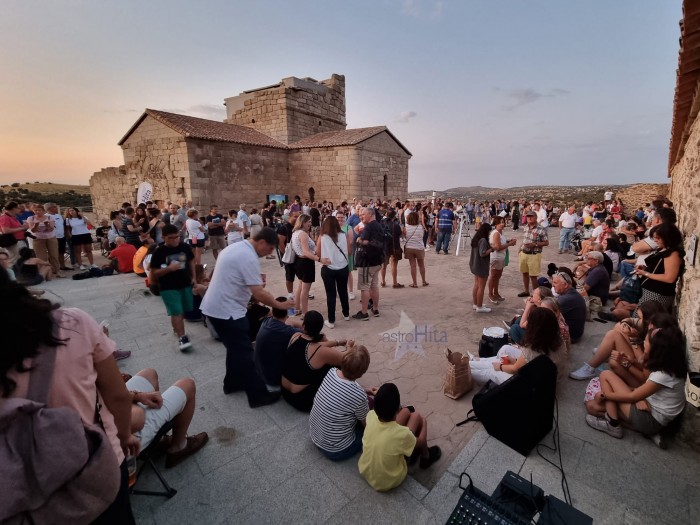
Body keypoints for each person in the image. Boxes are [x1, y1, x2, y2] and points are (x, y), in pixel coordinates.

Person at [0, 275, 138, 523]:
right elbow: (117, 394)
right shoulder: (72, 322)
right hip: (93, 462)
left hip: (19, 489)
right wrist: (125, 434)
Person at [201, 227, 293, 407]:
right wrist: (279, 305)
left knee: (235, 349)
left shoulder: (235, 247)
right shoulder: (248, 257)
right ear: (262, 242)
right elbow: (258, 293)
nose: (267, 254)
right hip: (227, 312)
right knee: (245, 353)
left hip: (217, 308)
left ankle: (232, 383)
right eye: (268, 250)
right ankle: (258, 396)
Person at [585, 325, 687, 440]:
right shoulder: (668, 367)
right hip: (651, 415)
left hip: (649, 419)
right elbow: (643, 390)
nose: (643, 342)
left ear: (655, 349)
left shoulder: (663, 375)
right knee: (592, 406)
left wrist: (605, 395)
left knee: (605, 376)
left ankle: (613, 425)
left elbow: (632, 396)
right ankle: (650, 434)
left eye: (646, 342)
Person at [358, 383, 441, 492]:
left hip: (365, 470)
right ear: (397, 409)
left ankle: (411, 448)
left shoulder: (370, 415)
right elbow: (420, 441)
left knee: (408, 412)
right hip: (389, 480)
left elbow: (384, 413)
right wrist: (424, 423)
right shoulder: (402, 434)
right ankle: (426, 457)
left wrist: (381, 397)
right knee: (417, 417)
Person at [126, 368, 209, 468]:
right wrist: (135, 407)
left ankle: (157, 439)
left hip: (110, 412)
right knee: (188, 385)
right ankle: (178, 447)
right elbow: (136, 421)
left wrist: (137, 396)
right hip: (120, 439)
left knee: (149, 374)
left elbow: (109, 396)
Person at [470, 307, 568, 385]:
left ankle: (467, 370)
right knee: (505, 350)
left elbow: (514, 369)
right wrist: (512, 362)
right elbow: (530, 362)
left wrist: (500, 367)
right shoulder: (557, 338)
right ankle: (472, 363)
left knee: (493, 372)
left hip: (535, 385)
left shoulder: (533, 347)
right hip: (546, 376)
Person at [570, 300, 663, 380]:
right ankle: (603, 352)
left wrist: (633, 339)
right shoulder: (652, 324)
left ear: (649, 320)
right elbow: (632, 320)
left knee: (613, 335)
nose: (640, 320)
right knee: (619, 327)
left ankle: (591, 367)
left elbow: (641, 360)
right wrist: (625, 323)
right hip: (639, 357)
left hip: (641, 365)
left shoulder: (656, 334)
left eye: (642, 318)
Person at [309, 345, 373, 461]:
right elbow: (367, 425)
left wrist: (364, 391)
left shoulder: (331, 372)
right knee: (367, 431)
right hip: (336, 450)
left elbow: (342, 390)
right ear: (362, 373)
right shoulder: (359, 395)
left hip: (315, 435)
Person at [280, 310, 349, 412]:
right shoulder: (319, 351)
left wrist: (337, 342)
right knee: (334, 367)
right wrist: (350, 348)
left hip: (285, 392)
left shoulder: (296, 336)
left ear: (304, 326)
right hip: (302, 401)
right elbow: (346, 360)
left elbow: (312, 345)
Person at [149, 224, 196, 352]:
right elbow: (154, 272)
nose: (175, 240)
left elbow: (191, 262)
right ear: (163, 237)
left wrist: (194, 278)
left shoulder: (185, 247)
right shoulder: (159, 252)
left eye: (177, 237)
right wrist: (169, 269)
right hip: (168, 287)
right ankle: (182, 337)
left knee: (183, 310)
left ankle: (177, 328)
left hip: (185, 284)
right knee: (176, 311)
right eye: (171, 238)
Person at [633, 223, 684, 313]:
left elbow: (669, 278)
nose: (656, 240)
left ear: (668, 238)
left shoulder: (673, 254)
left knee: (645, 319)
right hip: (651, 290)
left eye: (658, 238)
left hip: (658, 294)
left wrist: (645, 273)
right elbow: (659, 268)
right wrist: (645, 269)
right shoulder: (663, 249)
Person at [254, 297, 301, 392]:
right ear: (287, 312)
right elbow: (307, 334)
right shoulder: (288, 332)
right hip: (273, 380)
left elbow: (289, 324)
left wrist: (295, 324)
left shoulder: (266, 321)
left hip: (260, 373)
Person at [317, 215, 351, 328]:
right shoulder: (344, 235)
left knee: (330, 295)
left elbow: (318, 253)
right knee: (343, 291)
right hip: (343, 267)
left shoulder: (322, 236)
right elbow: (349, 252)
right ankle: (346, 314)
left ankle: (331, 321)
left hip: (328, 268)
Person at [353, 208, 386, 320]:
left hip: (367, 262)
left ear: (370, 214)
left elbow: (360, 240)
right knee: (374, 286)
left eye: (363, 214)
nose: (361, 217)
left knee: (365, 288)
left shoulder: (369, 227)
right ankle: (375, 308)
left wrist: (360, 240)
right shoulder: (378, 225)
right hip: (377, 261)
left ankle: (364, 313)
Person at [291, 214, 325, 316]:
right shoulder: (303, 234)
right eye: (308, 222)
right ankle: (304, 313)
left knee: (300, 287)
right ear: (303, 222)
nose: (310, 224)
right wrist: (319, 259)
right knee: (305, 289)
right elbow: (306, 252)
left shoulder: (295, 233)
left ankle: (297, 308)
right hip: (306, 262)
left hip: (299, 262)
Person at [517, 210, 549, 297]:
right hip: (524, 253)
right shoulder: (526, 227)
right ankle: (526, 291)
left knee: (533, 276)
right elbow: (524, 239)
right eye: (528, 216)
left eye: (531, 216)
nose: (529, 218)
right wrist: (520, 249)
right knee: (524, 273)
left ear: (536, 217)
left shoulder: (541, 229)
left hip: (534, 254)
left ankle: (535, 294)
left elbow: (546, 242)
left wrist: (535, 244)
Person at [488, 216, 516, 304]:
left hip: (500, 257)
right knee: (493, 276)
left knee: (498, 276)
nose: (502, 224)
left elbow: (501, 244)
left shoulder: (500, 233)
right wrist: (510, 244)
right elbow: (498, 247)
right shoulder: (496, 233)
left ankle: (496, 293)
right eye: (500, 222)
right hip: (496, 257)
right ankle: (490, 294)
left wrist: (508, 241)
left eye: (503, 222)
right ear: (496, 224)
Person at [552, 271, 586, 343]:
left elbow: (546, 316)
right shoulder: (572, 293)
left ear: (565, 285)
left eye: (555, 283)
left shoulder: (565, 299)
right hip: (577, 333)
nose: (552, 285)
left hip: (572, 336)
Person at [26, 204, 60, 276]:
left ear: (43, 211)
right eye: (36, 210)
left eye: (39, 210)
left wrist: (47, 225)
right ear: (33, 211)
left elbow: (51, 229)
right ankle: (44, 272)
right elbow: (33, 230)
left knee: (53, 255)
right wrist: (36, 225)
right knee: (41, 257)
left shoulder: (49, 217)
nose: (38, 212)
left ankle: (57, 271)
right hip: (38, 239)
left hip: (51, 238)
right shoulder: (31, 218)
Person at [469, 222, 493, 313]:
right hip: (481, 266)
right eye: (489, 231)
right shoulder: (483, 240)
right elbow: (482, 253)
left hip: (475, 265)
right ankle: (479, 306)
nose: (490, 233)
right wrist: (491, 249)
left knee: (476, 285)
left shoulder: (476, 238)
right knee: (481, 287)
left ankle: (476, 304)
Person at [379, 211, 404, 289]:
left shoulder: (382, 224)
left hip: (384, 247)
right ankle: (395, 282)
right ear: (394, 216)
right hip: (394, 247)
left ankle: (383, 281)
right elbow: (400, 235)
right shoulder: (396, 225)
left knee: (383, 265)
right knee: (394, 265)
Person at [403, 211, 428, 287]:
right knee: (421, 265)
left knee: (412, 266)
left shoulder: (406, 227)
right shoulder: (420, 227)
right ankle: (423, 281)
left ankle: (415, 283)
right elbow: (422, 236)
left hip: (409, 247)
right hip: (419, 247)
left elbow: (404, 236)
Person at [338, 212, 357, 299]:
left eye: (341, 217)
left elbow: (351, 241)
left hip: (346, 253)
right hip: (336, 254)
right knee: (337, 272)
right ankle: (340, 290)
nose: (340, 219)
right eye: (338, 217)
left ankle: (351, 291)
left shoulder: (348, 227)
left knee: (348, 272)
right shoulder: (333, 228)